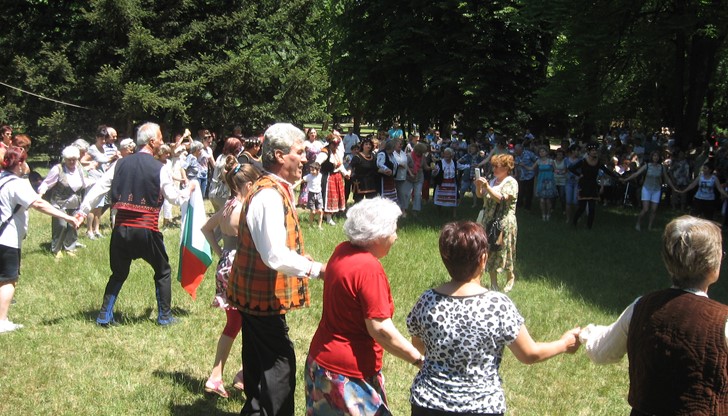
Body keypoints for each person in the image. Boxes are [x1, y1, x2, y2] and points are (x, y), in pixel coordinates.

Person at [407, 221, 581, 415]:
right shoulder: (498, 305)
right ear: (483, 259)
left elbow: (419, 346)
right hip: (481, 407)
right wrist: (565, 344)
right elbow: (529, 354)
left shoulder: (426, 301)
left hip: (427, 404)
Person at [579, 215, 728, 415]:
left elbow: (602, 351)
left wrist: (585, 334)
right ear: (714, 267)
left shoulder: (642, 307)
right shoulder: (723, 321)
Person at [227, 123, 325, 416]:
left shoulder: (272, 190)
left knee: (260, 363)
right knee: (279, 366)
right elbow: (273, 255)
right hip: (260, 299)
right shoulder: (269, 195)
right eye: (299, 152)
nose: (305, 157)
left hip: (254, 296)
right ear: (280, 156)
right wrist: (317, 269)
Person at [305, 197, 423, 415]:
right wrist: (419, 360)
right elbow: (380, 329)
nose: (396, 237)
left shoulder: (342, 250)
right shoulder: (369, 269)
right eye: (393, 231)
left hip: (321, 362)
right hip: (348, 374)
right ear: (377, 236)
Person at [78, 122, 195, 327]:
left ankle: (104, 315)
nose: (162, 141)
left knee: (118, 273)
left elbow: (99, 188)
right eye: (159, 137)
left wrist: (81, 211)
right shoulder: (160, 168)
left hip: (120, 231)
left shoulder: (119, 163)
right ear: (151, 142)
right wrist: (190, 189)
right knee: (163, 271)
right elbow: (174, 198)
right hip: (146, 230)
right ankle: (165, 317)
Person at [0, 147, 82, 333]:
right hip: (8, 238)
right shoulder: (17, 183)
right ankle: (2, 321)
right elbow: (38, 203)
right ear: (20, 163)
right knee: (8, 279)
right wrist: (67, 217)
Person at [201, 157, 261, 399]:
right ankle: (242, 374)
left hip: (225, 265)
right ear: (247, 184)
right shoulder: (245, 210)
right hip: (242, 269)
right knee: (254, 322)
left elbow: (206, 228)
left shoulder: (226, 206)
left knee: (234, 323)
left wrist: (221, 253)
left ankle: (218, 376)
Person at [476, 154, 518, 292]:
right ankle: (494, 283)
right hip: (488, 221)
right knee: (489, 251)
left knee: (505, 250)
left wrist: (487, 187)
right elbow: (480, 195)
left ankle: (510, 276)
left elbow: (501, 199)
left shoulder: (511, 182)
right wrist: (478, 186)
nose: (493, 168)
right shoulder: (494, 181)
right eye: (492, 165)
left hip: (504, 222)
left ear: (506, 167)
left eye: (496, 166)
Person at [37, 145, 89, 258]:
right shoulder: (58, 169)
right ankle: (56, 249)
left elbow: (85, 181)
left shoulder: (79, 168)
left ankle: (70, 247)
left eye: (74, 159)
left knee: (73, 226)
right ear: (64, 159)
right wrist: (40, 194)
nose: (72, 162)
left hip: (76, 203)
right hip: (59, 203)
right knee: (61, 225)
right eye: (69, 159)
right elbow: (47, 183)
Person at [621, 150, 677, 231]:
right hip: (646, 188)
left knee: (654, 210)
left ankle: (650, 226)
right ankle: (638, 223)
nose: (656, 157)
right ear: (652, 157)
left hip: (656, 190)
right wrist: (626, 179)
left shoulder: (661, 167)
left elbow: (667, 178)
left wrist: (673, 187)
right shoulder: (647, 166)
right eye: (654, 156)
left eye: (657, 156)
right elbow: (636, 174)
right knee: (646, 209)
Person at [568, 142, 619, 229]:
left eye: (596, 150)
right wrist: (579, 174)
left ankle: (589, 227)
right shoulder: (583, 161)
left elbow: (606, 171)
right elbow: (571, 168)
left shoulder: (598, 162)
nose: (595, 152)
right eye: (593, 150)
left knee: (592, 208)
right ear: (588, 152)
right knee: (582, 208)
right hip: (584, 185)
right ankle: (574, 222)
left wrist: (617, 177)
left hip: (592, 185)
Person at [316, 132, 349, 225]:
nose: (336, 146)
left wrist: (345, 173)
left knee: (336, 196)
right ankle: (328, 218)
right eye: (334, 144)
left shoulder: (337, 152)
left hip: (337, 177)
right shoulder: (325, 152)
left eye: (337, 144)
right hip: (328, 177)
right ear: (330, 143)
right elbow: (317, 162)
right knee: (329, 197)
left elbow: (340, 164)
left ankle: (330, 216)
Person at [210, 137, 243, 211]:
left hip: (213, 192)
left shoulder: (220, 157)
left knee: (218, 219)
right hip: (223, 194)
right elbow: (226, 176)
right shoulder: (231, 160)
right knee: (225, 219)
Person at [349, 137, 379, 202]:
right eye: (366, 144)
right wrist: (348, 173)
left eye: (370, 144)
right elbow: (351, 166)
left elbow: (376, 168)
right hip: (360, 182)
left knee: (371, 202)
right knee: (358, 202)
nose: (368, 146)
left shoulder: (373, 156)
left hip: (371, 182)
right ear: (362, 146)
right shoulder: (357, 157)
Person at [432, 147, 458, 217]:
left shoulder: (454, 162)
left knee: (453, 199)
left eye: (448, 154)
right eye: (445, 154)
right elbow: (434, 173)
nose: (446, 156)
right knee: (440, 199)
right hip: (442, 183)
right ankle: (438, 213)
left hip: (452, 183)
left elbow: (460, 168)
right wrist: (434, 171)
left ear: (451, 155)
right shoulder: (440, 163)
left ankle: (454, 215)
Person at [302, 162, 324, 229]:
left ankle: (319, 226)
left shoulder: (320, 175)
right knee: (313, 212)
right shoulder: (309, 176)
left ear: (318, 170)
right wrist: (293, 186)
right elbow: (302, 180)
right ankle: (310, 225)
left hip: (319, 194)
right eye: (311, 170)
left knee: (320, 211)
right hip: (311, 194)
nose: (312, 172)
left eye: (313, 170)